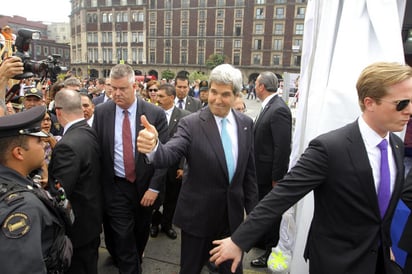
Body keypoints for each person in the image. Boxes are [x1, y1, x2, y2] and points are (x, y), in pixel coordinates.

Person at [210, 62, 412, 274]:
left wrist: (385, 244)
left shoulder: (396, 147)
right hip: (337, 264)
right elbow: (281, 195)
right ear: (370, 102)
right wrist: (239, 241)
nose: (409, 110)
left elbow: (380, 211)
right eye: (401, 103)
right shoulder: (330, 148)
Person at [137, 63, 258, 274]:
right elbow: (169, 153)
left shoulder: (246, 124)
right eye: (213, 92)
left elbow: (249, 175)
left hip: (232, 221)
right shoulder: (190, 124)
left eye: (225, 94)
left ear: (238, 95)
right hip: (198, 219)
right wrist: (154, 148)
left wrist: (254, 218)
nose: (217, 99)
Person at [93, 64, 168, 274]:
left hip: (145, 187)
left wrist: (154, 188)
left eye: (122, 88)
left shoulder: (154, 114)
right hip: (116, 186)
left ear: (134, 86)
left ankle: (134, 261)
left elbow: (163, 156)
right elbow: (97, 149)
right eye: (112, 88)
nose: (116, 93)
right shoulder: (101, 112)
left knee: (140, 233)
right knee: (123, 238)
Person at [0, 106, 72, 273]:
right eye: (38, 141)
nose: (43, 144)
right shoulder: (23, 208)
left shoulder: (16, 180)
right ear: (19, 152)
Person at [48, 89, 102, 274]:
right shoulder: (89, 132)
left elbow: (60, 194)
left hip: (76, 228)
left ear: (58, 112)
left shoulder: (66, 145)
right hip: (92, 221)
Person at [249, 71, 292, 268]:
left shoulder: (278, 110)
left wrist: (277, 178)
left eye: (256, 83)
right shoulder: (269, 106)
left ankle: (269, 253)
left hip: (269, 176)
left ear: (261, 87)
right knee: (262, 209)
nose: (254, 86)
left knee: (270, 215)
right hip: (261, 173)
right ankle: (261, 240)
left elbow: (282, 148)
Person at [150, 83, 191, 239]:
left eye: (161, 96)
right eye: (156, 95)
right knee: (155, 197)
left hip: (174, 167)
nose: (157, 98)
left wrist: (183, 167)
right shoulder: (151, 113)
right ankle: (154, 224)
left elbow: (188, 144)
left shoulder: (185, 115)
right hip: (155, 165)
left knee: (172, 198)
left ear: (171, 98)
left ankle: (167, 225)